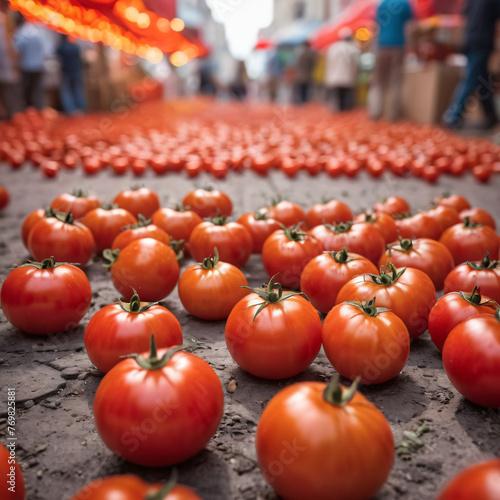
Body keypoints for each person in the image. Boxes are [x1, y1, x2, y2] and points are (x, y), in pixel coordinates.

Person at [442, 0, 500, 130]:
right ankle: (453, 117)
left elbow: (464, 16)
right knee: (471, 79)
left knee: (482, 80)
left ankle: (491, 117)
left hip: (469, 40)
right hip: (482, 42)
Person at [368, 0, 414, 122]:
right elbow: (409, 26)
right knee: (396, 81)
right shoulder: (405, 4)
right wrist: (409, 45)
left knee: (378, 81)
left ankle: (375, 111)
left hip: (382, 46)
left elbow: (376, 26)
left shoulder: (381, 4)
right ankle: (393, 115)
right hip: (398, 45)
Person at [13, 15, 46, 110]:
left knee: (26, 89)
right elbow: (47, 49)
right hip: (39, 65)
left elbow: (17, 48)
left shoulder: (22, 32)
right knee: (38, 89)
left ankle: (27, 108)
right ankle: (38, 108)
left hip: (26, 65)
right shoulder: (40, 32)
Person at [324, 28, 360, 112]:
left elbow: (329, 63)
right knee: (347, 98)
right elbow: (357, 64)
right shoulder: (354, 49)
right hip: (348, 77)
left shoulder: (333, 48)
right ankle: (345, 112)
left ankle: (340, 111)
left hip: (335, 77)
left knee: (338, 97)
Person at [0, 1, 21, 119]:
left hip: (6, 62)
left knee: (8, 89)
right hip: (5, 61)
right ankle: (8, 113)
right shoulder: (4, 19)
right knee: (8, 90)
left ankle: (8, 113)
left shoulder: (6, 19)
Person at [56, 34, 86, 115]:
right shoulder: (75, 47)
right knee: (76, 90)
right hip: (74, 72)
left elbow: (57, 54)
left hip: (67, 72)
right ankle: (79, 108)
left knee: (67, 91)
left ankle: (71, 109)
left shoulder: (63, 47)